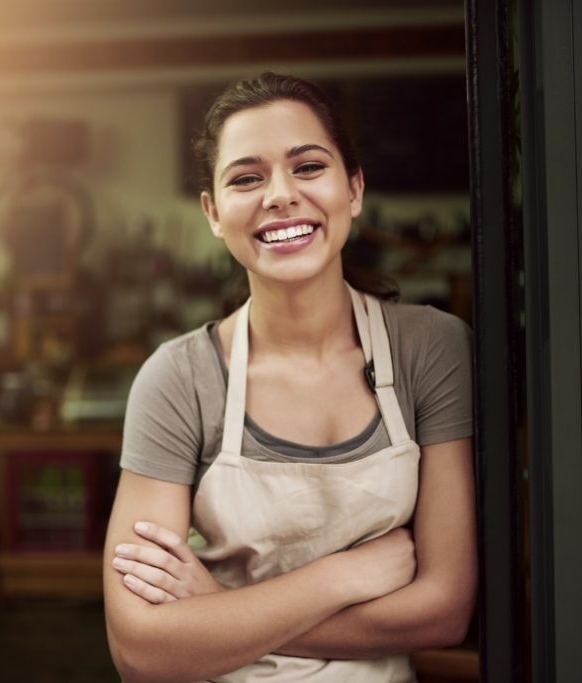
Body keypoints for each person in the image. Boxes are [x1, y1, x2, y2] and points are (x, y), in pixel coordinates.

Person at [103, 72, 476, 683]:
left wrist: (217, 616)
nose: (280, 195)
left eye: (308, 166)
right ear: (213, 213)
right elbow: (142, 651)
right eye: (246, 178)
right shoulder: (179, 378)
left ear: (353, 189)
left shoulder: (430, 350)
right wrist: (343, 576)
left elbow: (445, 610)